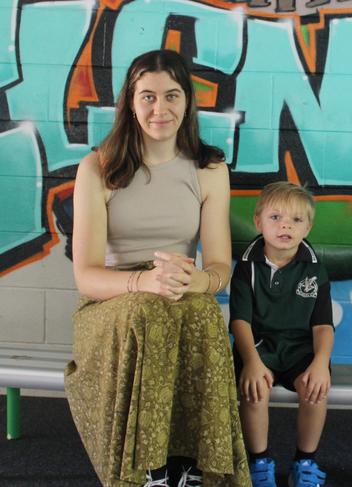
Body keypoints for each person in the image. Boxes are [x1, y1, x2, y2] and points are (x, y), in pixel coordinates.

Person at [64, 49, 251, 487]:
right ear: (130, 102)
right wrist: (143, 281)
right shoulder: (98, 167)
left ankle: (194, 466)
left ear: (187, 101)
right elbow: (85, 276)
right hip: (111, 305)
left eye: (171, 96)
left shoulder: (209, 168)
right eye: (147, 97)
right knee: (147, 311)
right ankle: (146, 471)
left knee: (203, 310)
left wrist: (198, 280)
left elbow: (221, 265)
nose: (159, 109)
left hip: (177, 293)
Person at [229, 182, 334, 487]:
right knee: (255, 387)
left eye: (296, 220)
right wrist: (251, 361)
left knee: (314, 389)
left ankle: (305, 461)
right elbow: (240, 322)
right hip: (259, 346)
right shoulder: (247, 267)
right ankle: (260, 462)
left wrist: (320, 362)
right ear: (258, 221)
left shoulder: (315, 269)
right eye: (275, 218)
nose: (285, 225)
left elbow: (323, 326)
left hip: (300, 348)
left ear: (308, 227)